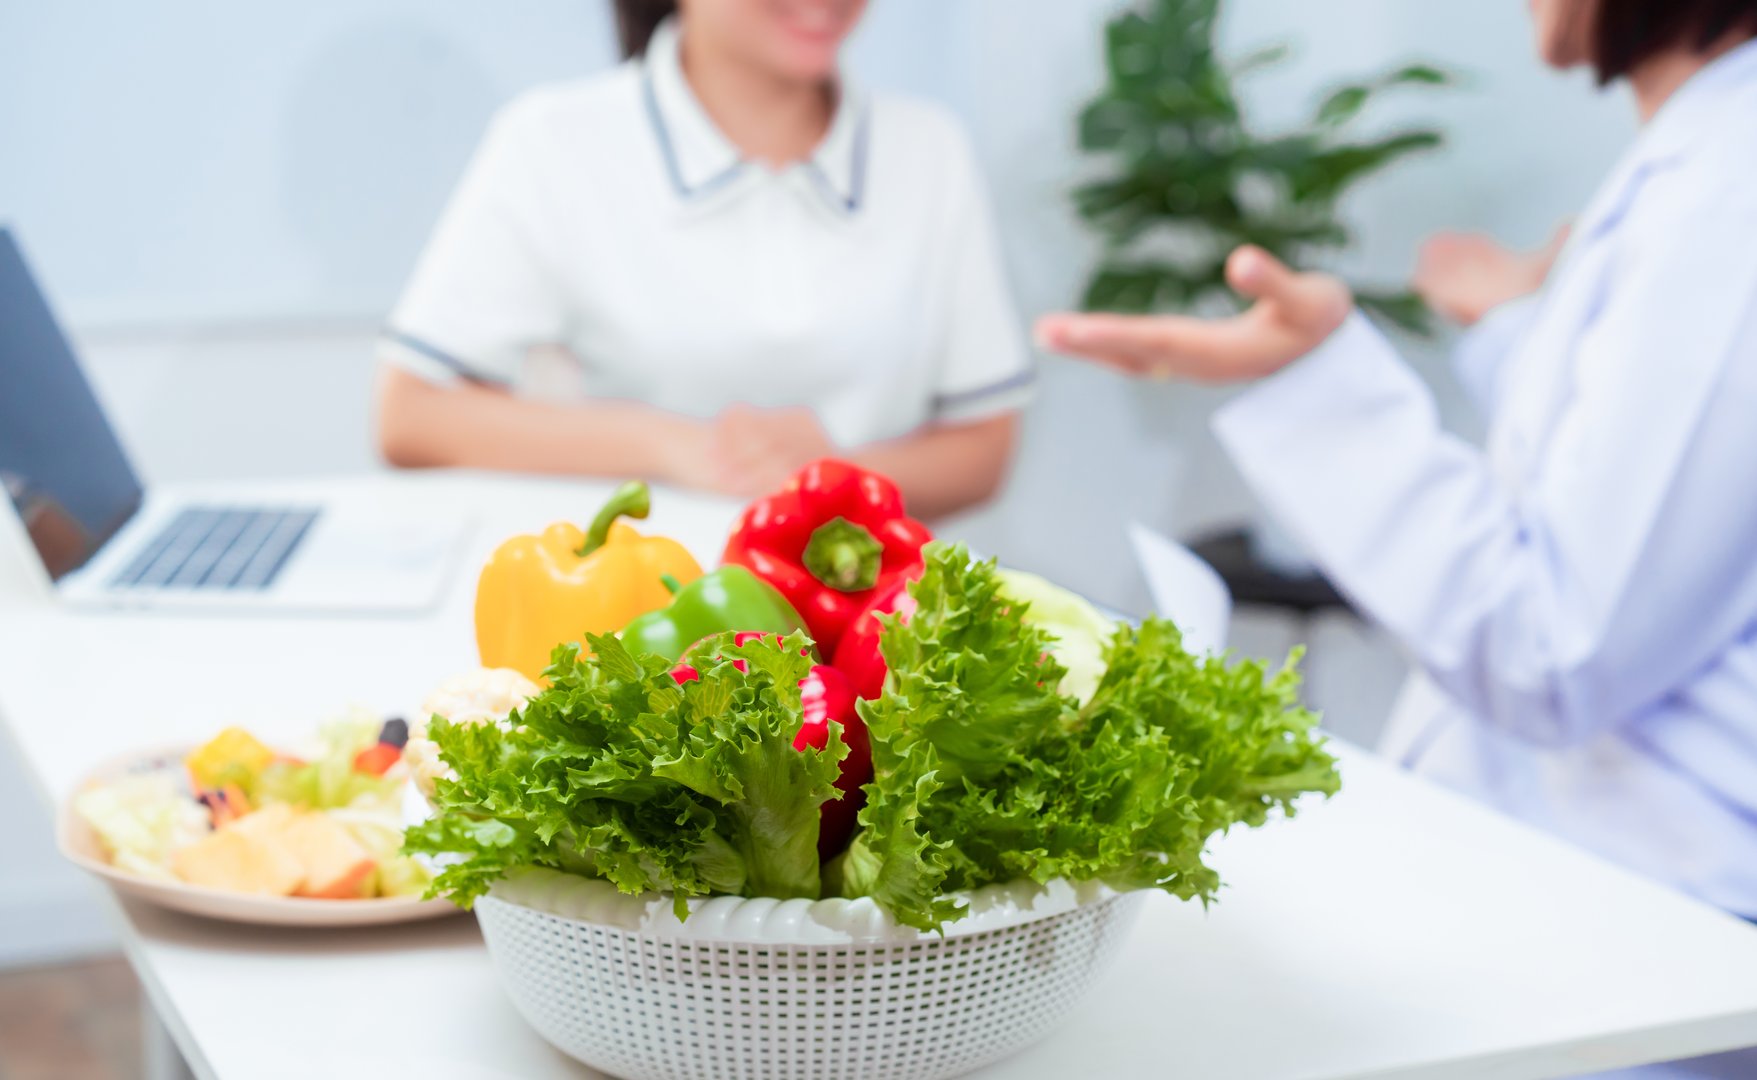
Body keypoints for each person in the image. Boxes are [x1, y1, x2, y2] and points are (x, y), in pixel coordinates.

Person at [1038, 0, 1757, 934]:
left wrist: (1317, 386)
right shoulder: (1701, 163)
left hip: (1656, 923)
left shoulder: (1728, 190)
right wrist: (1516, 333)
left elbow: (1553, 645)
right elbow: (1656, 476)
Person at [374, 0, 1033, 518]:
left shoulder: (929, 148)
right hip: (635, 612)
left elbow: (983, 449)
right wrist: (671, 445)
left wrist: (833, 478)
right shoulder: (552, 141)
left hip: (867, 619)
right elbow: (412, 416)